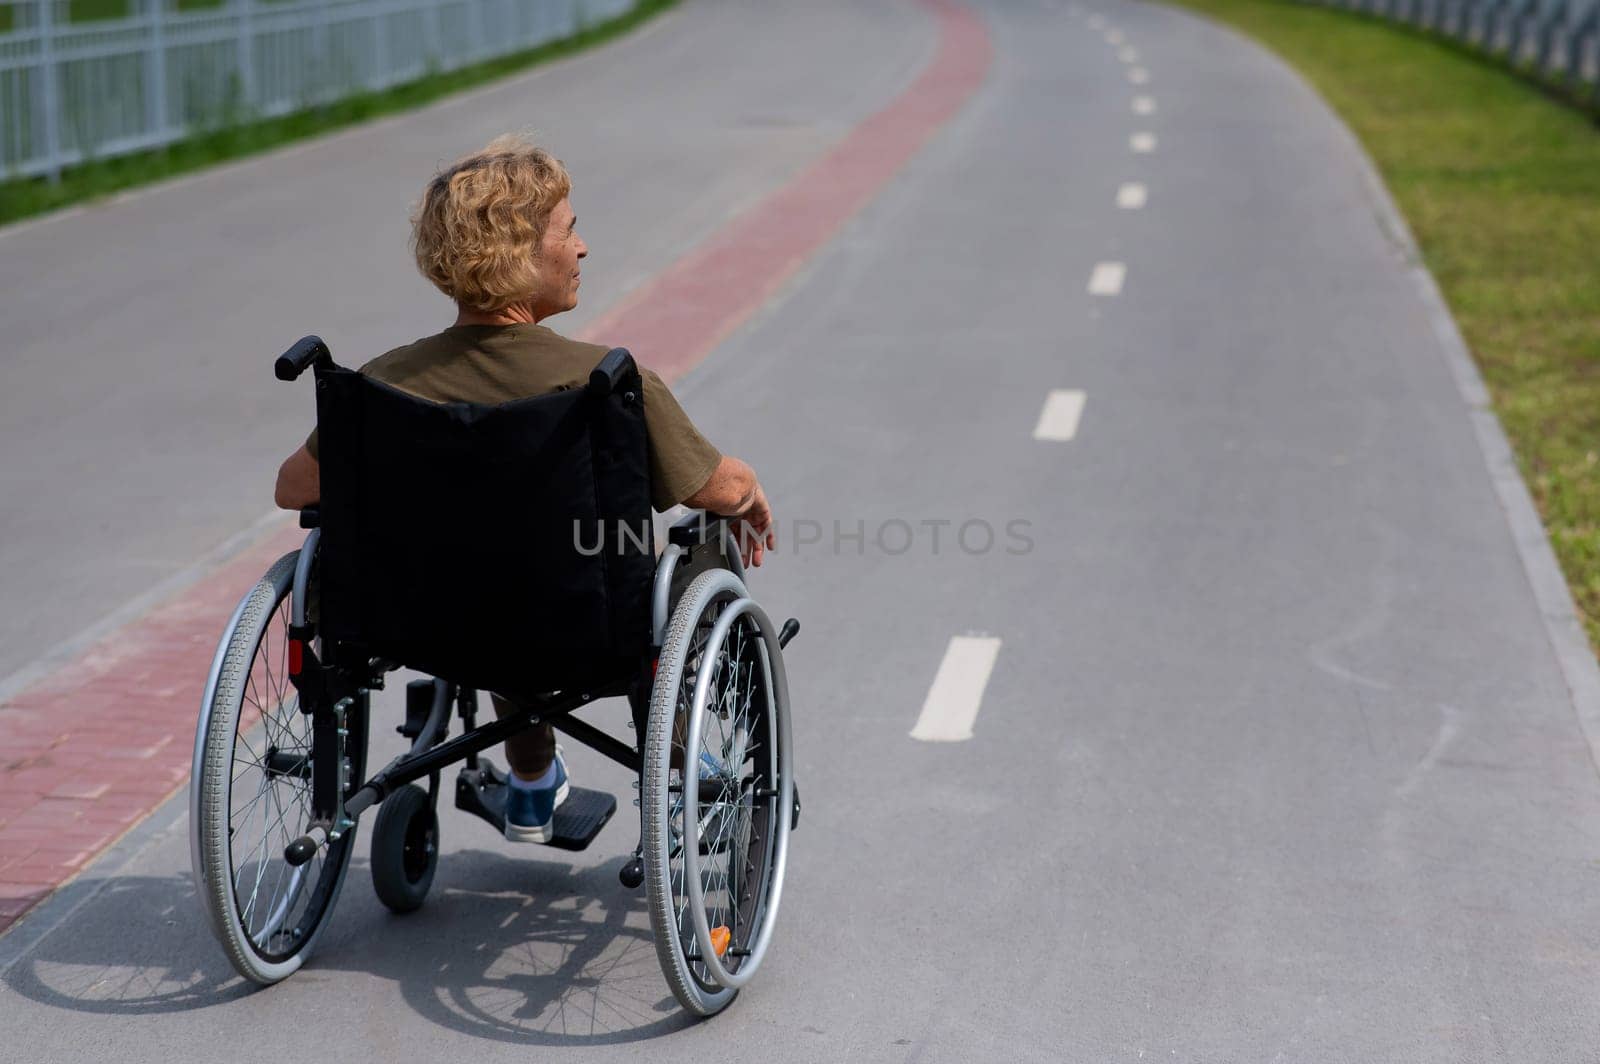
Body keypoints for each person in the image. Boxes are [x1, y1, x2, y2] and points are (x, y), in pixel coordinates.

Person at [273, 134, 776, 844]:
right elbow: (716, 488)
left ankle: (534, 785)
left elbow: (292, 489)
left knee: (495, 579)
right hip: (577, 625)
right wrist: (750, 490)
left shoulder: (379, 386)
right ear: (516, 256)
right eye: (568, 232)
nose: (582, 249)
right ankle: (684, 755)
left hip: (414, 625)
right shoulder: (604, 382)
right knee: (662, 559)